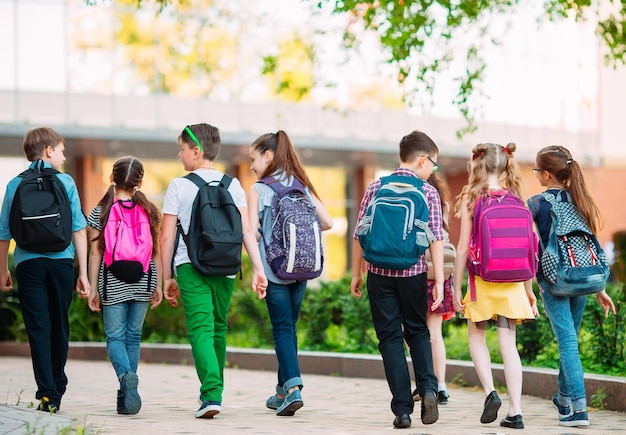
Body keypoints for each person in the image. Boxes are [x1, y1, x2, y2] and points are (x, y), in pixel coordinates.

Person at [160, 123, 268, 419]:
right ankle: (214, 391)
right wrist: (258, 269)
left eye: (182, 149)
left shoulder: (179, 186)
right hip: (227, 266)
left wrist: (166, 277)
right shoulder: (233, 185)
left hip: (190, 265)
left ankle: (210, 394)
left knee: (201, 329)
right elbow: (247, 230)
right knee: (219, 327)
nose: (180, 155)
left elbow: (167, 237)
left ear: (196, 151)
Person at [350, 130, 445, 429]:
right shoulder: (428, 192)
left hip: (378, 274)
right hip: (413, 274)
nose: (433, 170)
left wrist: (356, 272)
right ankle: (429, 388)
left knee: (389, 339)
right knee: (417, 332)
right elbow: (437, 240)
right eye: (433, 164)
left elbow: (359, 232)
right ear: (421, 159)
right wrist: (439, 280)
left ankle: (402, 410)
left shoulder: (376, 186)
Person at [0, 127, 90, 413]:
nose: (64, 157)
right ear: (49, 151)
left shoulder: (15, 184)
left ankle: (48, 393)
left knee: (38, 328)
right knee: (58, 325)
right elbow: (78, 229)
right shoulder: (66, 182)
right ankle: (58, 383)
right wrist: (84, 273)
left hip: (28, 264)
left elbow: (4, 232)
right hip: (61, 262)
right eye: (62, 151)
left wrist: (3, 268)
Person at [527, 145, 615, 428]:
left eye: (537, 170)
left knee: (567, 343)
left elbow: (529, 247)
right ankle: (564, 398)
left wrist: (528, 284)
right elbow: (588, 246)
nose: (536, 174)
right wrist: (599, 288)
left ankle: (578, 409)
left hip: (553, 280)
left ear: (547, 174)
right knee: (571, 342)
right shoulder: (581, 200)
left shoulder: (536, 204)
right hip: (583, 278)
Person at [453, 142, 539, 430]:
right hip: (514, 282)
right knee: (508, 345)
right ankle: (516, 411)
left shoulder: (471, 198)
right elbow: (526, 249)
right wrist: (529, 292)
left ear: (478, 164)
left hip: (482, 281)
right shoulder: (517, 199)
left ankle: (491, 392)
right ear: (506, 165)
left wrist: (455, 287)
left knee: (477, 337)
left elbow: (463, 247)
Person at [247, 130, 333, 416]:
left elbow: (252, 232)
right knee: (289, 328)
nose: (251, 166)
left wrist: (257, 263)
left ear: (268, 156)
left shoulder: (259, 189)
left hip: (273, 271)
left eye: (253, 159)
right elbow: (328, 222)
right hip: (302, 269)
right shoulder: (301, 185)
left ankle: (294, 390)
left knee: (282, 328)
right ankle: (282, 390)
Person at [86, 156, 163, 415]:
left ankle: (126, 377)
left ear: (112, 178)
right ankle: (126, 395)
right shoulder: (150, 210)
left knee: (115, 338)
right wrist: (159, 285)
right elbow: (156, 253)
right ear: (139, 182)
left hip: (114, 282)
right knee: (133, 337)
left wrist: (93, 287)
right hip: (143, 280)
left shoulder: (101, 211)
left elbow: (96, 253)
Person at [413, 172, 457, 405]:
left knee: (413, 333)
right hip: (438, 272)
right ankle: (440, 385)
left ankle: (424, 382)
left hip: (415, 271)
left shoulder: (414, 196)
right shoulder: (442, 201)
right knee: (434, 333)